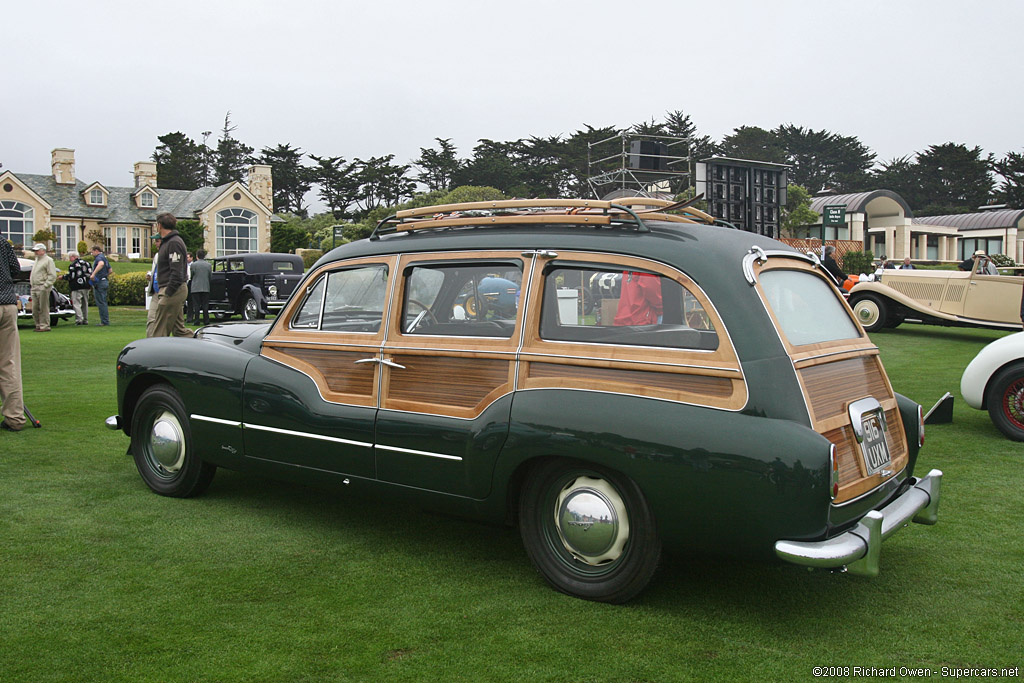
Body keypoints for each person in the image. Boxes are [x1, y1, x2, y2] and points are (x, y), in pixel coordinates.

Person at [149, 212, 191, 338]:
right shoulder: (168, 242)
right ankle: (205, 345)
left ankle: (156, 356)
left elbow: (177, 272)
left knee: (159, 330)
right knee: (179, 331)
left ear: (159, 225)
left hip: (172, 290)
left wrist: (167, 293)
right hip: (173, 289)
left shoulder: (173, 243)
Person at [0, 236, 25, 431]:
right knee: (8, 363)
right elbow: (16, 268)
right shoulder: (2, 241)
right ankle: (14, 416)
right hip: (8, 305)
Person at [30, 243, 57, 332]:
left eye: (37, 250)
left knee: (43, 307)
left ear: (43, 251)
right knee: (34, 308)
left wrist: (45, 286)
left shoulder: (48, 260)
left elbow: (52, 275)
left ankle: (44, 325)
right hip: (34, 287)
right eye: (35, 251)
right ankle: (38, 324)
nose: (35, 252)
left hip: (42, 286)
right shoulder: (36, 260)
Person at [64, 251, 92, 324]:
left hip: (76, 286)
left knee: (77, 304)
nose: (69, 259)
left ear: (73, 257)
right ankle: (85, 319)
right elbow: (90, 274)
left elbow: (71, 276)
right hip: (86, 285)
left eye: (70, 258)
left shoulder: (73, 265)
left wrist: (63, 277)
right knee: (85, 303)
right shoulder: (87, 263)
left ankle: (79, 319)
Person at [188, 249, 212, 325]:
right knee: (205, 305)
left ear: (197, 256)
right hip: (205, 287)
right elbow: (210, 276)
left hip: (195, 287)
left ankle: (197, 320)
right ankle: (206, 320)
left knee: (196, 305)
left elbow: (191, 276)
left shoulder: (193, 265)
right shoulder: (208, 265)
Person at [89, 245, 112, 325]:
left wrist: (93, 274)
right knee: (103, 301)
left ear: (96, 251)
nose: (92, 254)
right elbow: (110, 270)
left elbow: (101, 264)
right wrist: (104, 276)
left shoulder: (99, 258)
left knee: (101, 302)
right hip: (105, 281)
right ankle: (105, 320)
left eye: (92, 252)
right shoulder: (105, 258)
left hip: (99, 282)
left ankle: (104, 321)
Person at [145, 234, 161, 337]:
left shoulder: (171, 254)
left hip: (168, 293)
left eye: (158, 241)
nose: (155, 243)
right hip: (156, 292)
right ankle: (150, 344)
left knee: (177, 326)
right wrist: (150, 276)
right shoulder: (157, 255)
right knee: (151, 319)